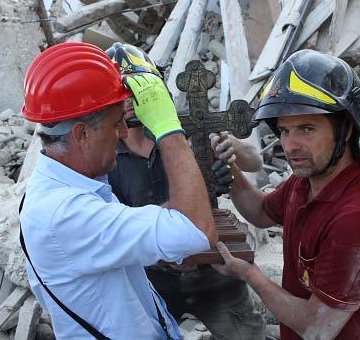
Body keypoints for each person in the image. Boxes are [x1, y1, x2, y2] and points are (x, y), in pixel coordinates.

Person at [19, 41, 218, 339]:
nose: (124, 132)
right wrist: (167, 128)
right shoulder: (65, 213)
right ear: (82, 134)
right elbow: (198, 230)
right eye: (115, 124)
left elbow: (127, 227)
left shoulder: (70, 187)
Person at [211, 49, 360, 340]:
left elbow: (317, 328)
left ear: (346, 129)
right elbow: (261, 212)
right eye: (285, 131)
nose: (290, 146)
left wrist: (249, 273)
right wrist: (231, 170)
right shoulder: (308, 180)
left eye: (307, 129)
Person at [106, 42, 266, 340]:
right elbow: (117, 224)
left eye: (136, 90)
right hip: (153, 278)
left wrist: (232, 150)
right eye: (121, 94)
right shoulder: (106, 154)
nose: (129, 101)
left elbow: (255, 162)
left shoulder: (186, 127)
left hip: (215, 271)